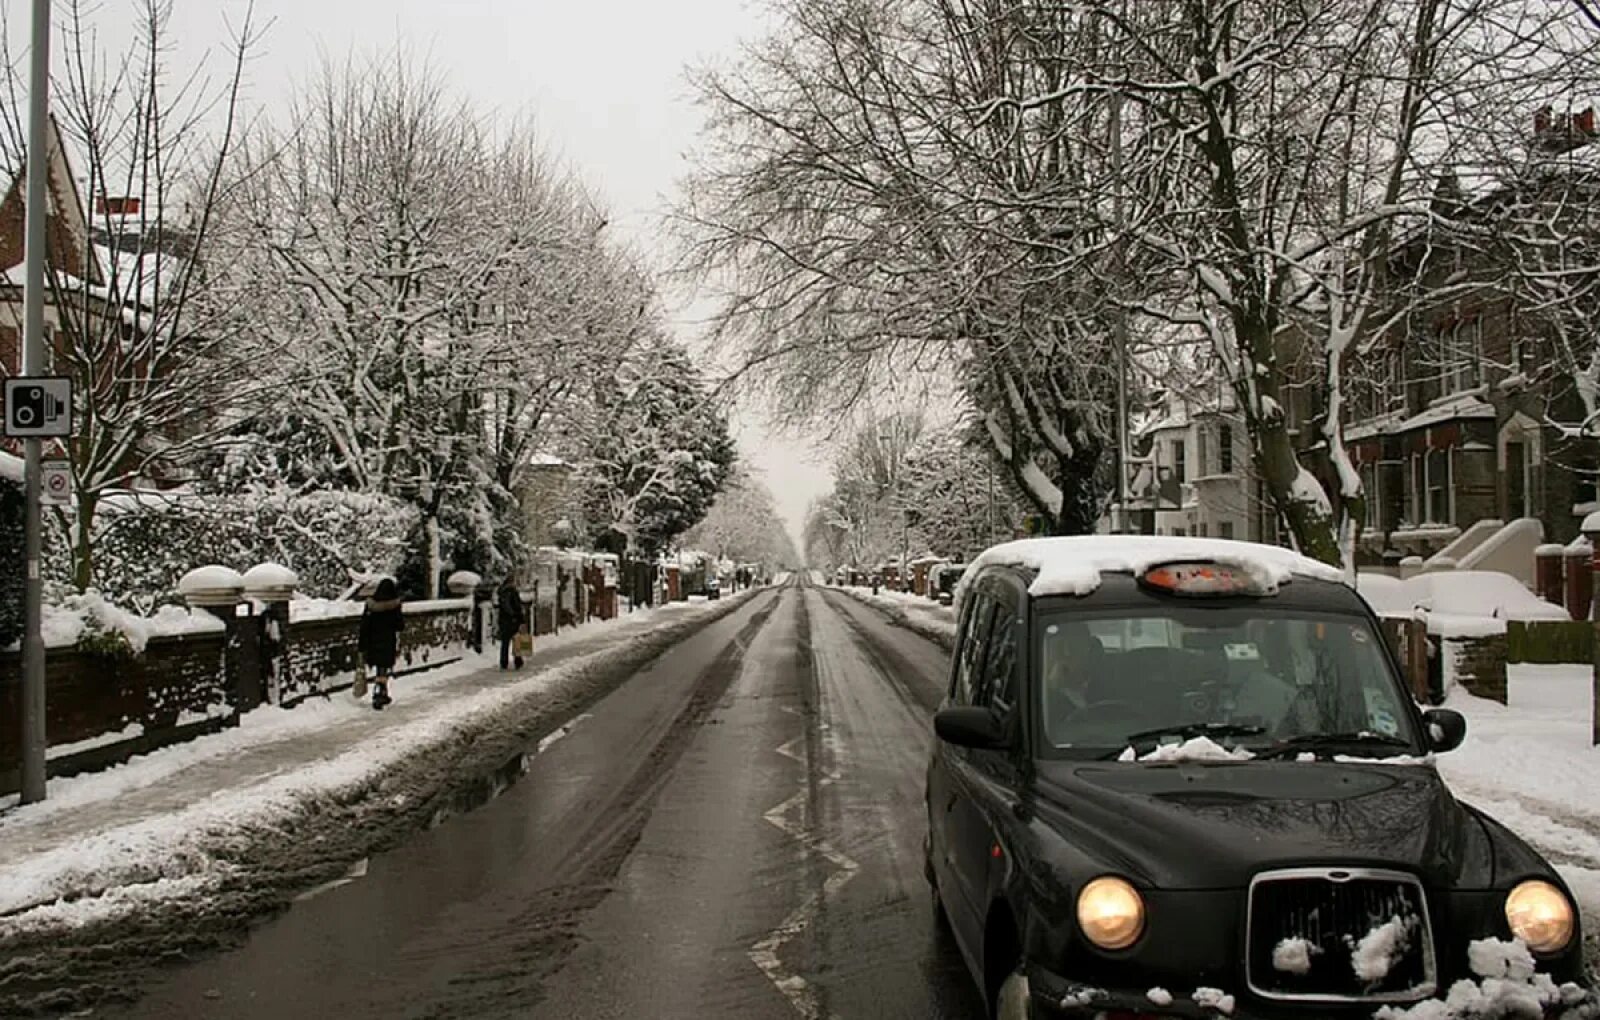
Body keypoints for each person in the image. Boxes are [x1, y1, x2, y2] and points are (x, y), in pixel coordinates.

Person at [358, 578, 404, 710]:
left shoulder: (370, 605)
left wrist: (362, 645)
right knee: (383, 668)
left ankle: (381, 692)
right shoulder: (394, 605)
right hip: (387, 641)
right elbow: (400, 625)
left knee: (379, 667)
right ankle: (379, 691)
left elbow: (364, 625)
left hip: (372, 641)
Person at [496, 576, 526, 670]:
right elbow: (513, 605)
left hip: (504, 620)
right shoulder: (511, 591)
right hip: (511, 620)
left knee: (505, 642)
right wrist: (516, 615)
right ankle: (518, 661)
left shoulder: (502, 592)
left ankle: (504, 662)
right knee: (517, 640)